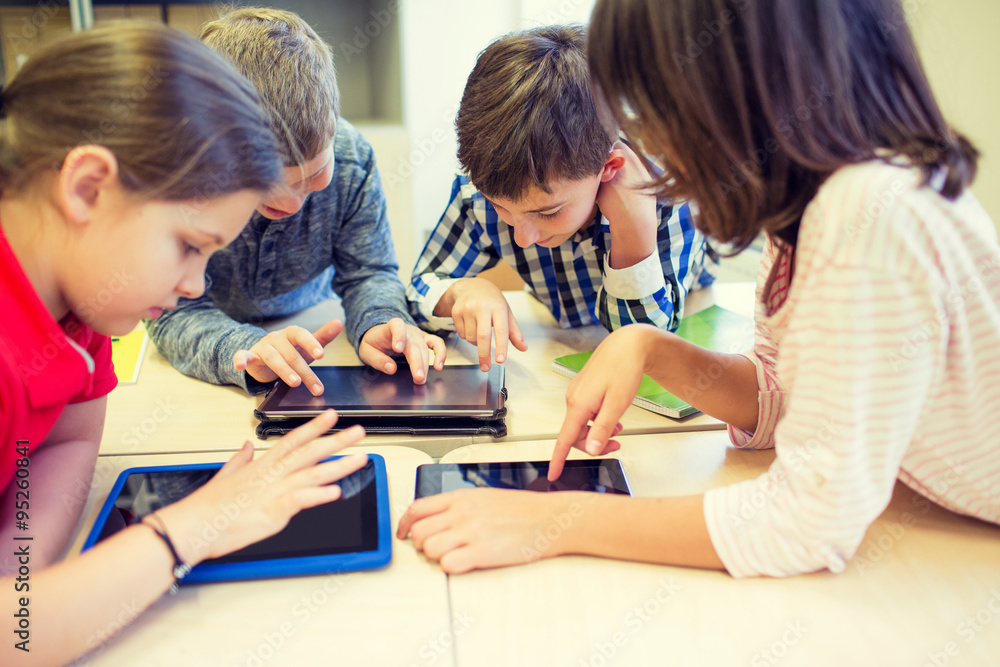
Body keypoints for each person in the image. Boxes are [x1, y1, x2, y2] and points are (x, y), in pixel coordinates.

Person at [397, 0, 1000, 577]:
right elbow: (778, 404)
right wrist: (652, 347)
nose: (649, 141)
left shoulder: (864, 210)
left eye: (655, 105)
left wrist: (557, 519)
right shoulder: (811, 215)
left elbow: (807, 522)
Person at [0, 24, 368, 665]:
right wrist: (193, 528)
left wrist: (22, 577)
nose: (196, 283)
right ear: (88, 187)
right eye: (189, 246)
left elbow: (67, 439)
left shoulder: (81, 308)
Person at [146, 7, 446, 397]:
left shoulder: (352, 157)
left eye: (312, 175)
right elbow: (173, 312)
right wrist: (243, 347)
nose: (290, 204)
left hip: (317, 324)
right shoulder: (183, 177)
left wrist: (380, 320)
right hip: (213, 332)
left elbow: (368, 273)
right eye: (266, 185)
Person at [406, 25, 717, 371]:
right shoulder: (479, 191)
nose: (523, 238)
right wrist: (460, 293)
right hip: (560, 341)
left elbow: (646, 341)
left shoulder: (666, 191)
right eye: (500, 207)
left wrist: (635, 229)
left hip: (694, 317)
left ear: (608, 167)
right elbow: (419, 288)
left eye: (549, 212)